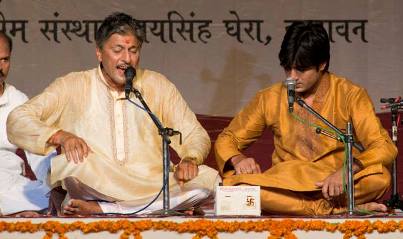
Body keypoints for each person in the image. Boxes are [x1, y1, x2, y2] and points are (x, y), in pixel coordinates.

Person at [7, 12, 219, 216]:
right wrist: (61, 136)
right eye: (118, 50)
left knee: (208, 181)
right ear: (99, 52)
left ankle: (106, 209)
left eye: (133, 50)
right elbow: (18, 119)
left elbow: (194, 134)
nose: (127, 58)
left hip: (148, 182)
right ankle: (153, 208)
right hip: (96, 179)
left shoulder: (157, 85)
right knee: (72, 167)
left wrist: (190, 159)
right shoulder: (72, 85)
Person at [214, 21, 397, 215]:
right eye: (287, 68)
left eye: (301, 70)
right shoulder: (270, 98)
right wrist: (239, 158)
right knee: (233, 184)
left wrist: (346, 171)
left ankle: (301, 207)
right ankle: (330, 209)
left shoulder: (350, 95)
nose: (292, 77)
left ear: (322, 64)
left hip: (334, 184)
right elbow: (227, 139)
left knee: (380, 178)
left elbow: (383, 146)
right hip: (288, 182)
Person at [0, 31, 54, 217]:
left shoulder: (19, 101)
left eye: (4, 60)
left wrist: (54, 174)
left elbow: (38, 153)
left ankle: (13, 209)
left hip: (9, 183)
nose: (0, 67)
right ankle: (14, 211)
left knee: (49, 193)